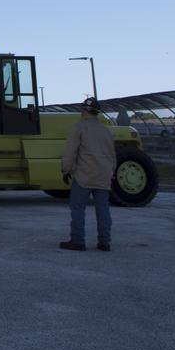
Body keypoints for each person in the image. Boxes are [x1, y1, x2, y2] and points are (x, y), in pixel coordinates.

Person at [60, 97, 116, 252]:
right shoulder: (106, 130)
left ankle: (77, 241)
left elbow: (70, 152)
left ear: (84, 110)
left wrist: (66, 170)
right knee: (103, 209)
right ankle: (105, 242)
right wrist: (111, 171)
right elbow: (112, 154)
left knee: (78, 208)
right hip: (104, 175)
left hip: (84, 175)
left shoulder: (78, 128)